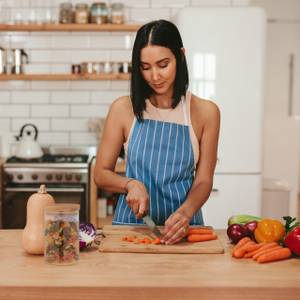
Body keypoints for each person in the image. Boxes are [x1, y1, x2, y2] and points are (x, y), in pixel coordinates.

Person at [94, 19, 220, 245]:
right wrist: (129, 184)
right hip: (131, 230)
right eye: (145, 67)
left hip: (185, 231)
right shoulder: (123, 109)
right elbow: (101, 173)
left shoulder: (206, 113)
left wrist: (185, 213)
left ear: (180, 56)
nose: (155, 76)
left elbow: (203, 181)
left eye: (163, 65)